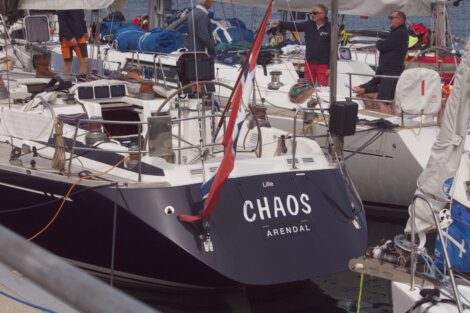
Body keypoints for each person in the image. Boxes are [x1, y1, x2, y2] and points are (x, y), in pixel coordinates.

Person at [353, 10, 408, 114]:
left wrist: (379, 42)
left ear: (400, 20)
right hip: (385, 70)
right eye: (389, 18)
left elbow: (382, 46)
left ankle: (386, 122)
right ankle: (370, 115)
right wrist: (362, 87)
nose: (389, 20)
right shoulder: (395, 33)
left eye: (392, 18)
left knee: (382, 101)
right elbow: (375, 81)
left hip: (391, 72)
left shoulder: (400, 33)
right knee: (362, 93)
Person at [273, 4, 331, 86]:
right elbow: (295, 26)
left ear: (322, 14)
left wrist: (330, 67)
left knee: (323, 87)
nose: (312, 15)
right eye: (311, 13)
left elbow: (333, 49)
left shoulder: (330, 28)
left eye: (314, 13)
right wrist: (280, 23)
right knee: (307, 87)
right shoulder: (308, 24)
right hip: (309, 63)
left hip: (323, 65)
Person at [57, 9, 90, 75]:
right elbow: (62, 23)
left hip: (80, 36)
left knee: (85, 60)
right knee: (68, 63)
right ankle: (66, 83)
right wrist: (70, 37)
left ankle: (81, 80)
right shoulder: (62, 5)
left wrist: (85, 31)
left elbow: (82, 19)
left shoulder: (79, 4)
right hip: (66, 38)